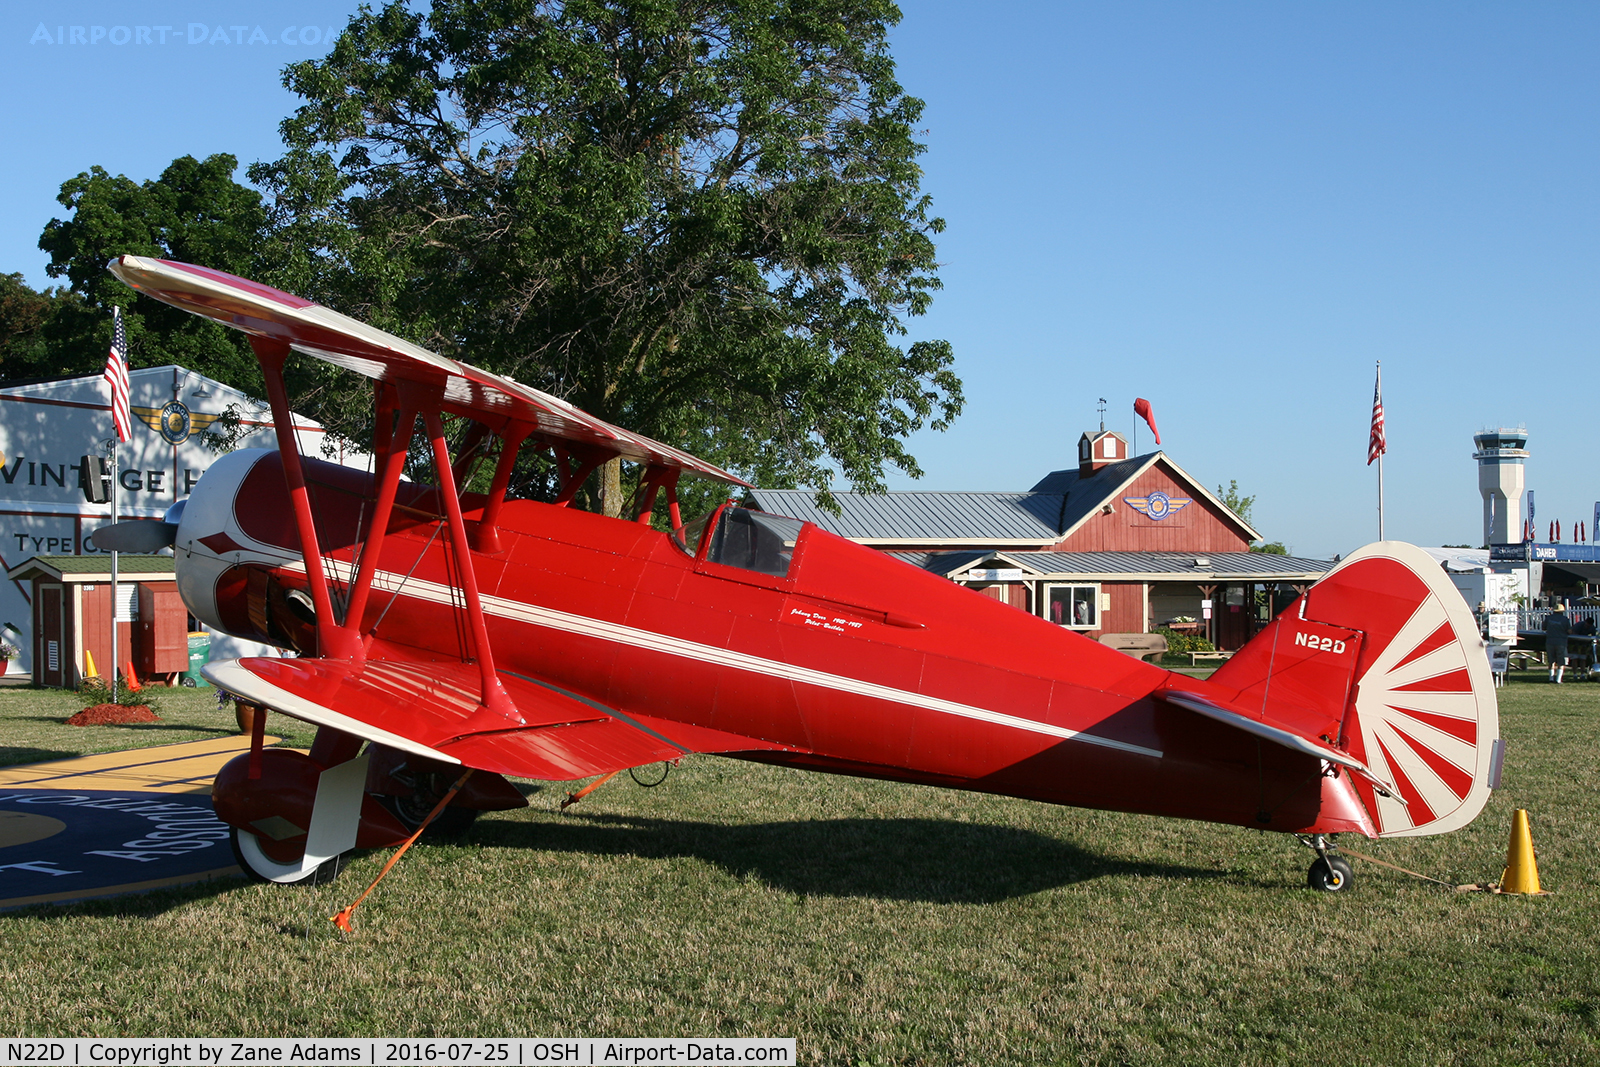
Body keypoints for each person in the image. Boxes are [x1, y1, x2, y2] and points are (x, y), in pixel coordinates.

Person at [1543, 603, 1571, 683]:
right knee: (1561, 661)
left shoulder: (1548, 618)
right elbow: (1569, 631)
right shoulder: (1565, 619)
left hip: (1550, 641)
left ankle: (1551, 678)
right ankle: (1558, 679)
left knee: (1551, 661)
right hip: (1561, 642)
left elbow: (1543, 628)